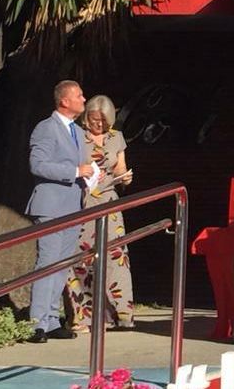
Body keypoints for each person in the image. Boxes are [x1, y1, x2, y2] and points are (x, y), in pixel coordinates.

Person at [25, 79, 92, 342]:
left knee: (62, 265)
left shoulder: (76, 131)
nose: (83, 99)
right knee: (47, 263)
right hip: (51, 206)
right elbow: (37, 165)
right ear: (65, 101)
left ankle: (52, 320)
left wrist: (89, 176)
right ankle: (36, 323)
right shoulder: (46, 128)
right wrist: (74, 172)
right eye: (79, 95)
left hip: (72, 205)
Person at [65, 95, 136, 332]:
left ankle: (121, 314)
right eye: (94, 120)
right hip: (82, 201)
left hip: (108, 202)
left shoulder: (116, 138)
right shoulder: (76, 135)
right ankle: (81, 317)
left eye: (103, 122)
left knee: (116, 257)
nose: (98, 126)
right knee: (80, 259)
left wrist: (125, 178)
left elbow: (120, 168)